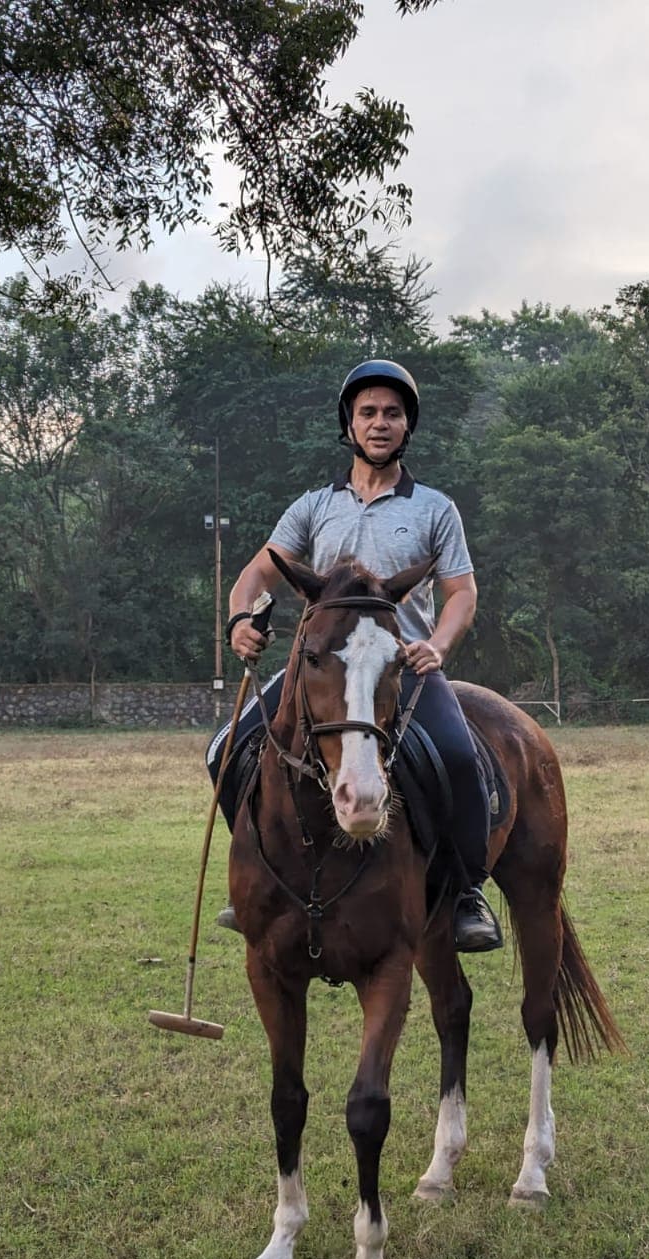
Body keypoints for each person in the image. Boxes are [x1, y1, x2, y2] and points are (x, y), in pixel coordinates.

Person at [209, 359, 502, 952]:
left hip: (402, 670)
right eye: (368, 412)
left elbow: (461, 592)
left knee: (460, 758)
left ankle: (468, 892)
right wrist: (240, 619)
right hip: (320, 671)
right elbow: (255, 574)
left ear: (407, 426)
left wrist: (436, 646)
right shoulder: (315, 507)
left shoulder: (435, 508)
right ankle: (256, 876)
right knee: (224, 750)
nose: (380, 423)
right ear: (349, 423)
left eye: (392, 414)